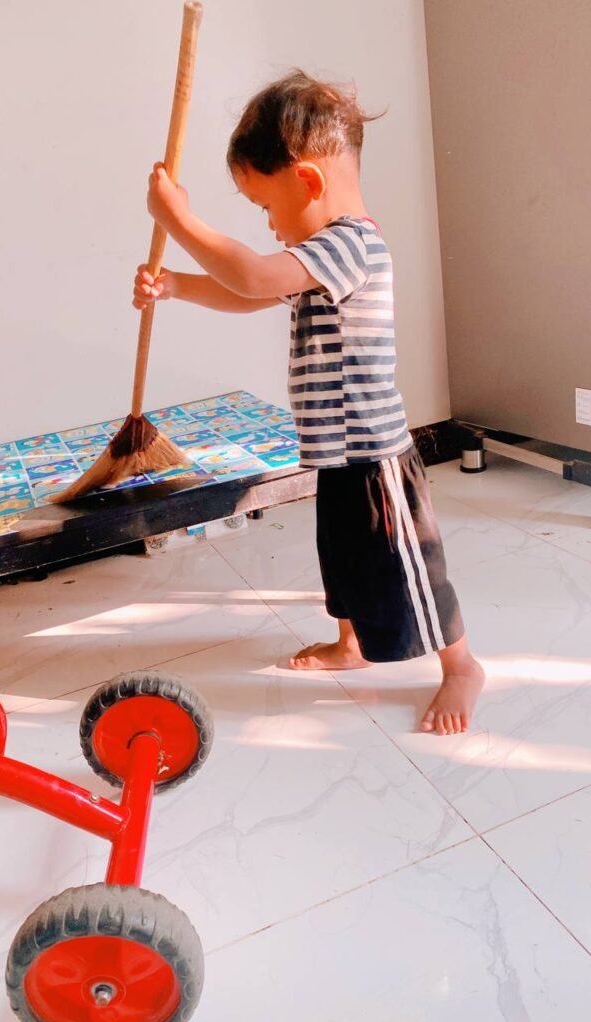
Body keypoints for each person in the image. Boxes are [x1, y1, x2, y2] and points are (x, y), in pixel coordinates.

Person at [133, 71, 485, 735]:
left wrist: (177, 219)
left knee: (409, 568)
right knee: (344, 559)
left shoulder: (353, 245)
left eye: (265, 206)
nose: (268, 224)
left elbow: (253, 273)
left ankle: (461, 663)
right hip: (335, 451)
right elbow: (249, 294)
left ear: (308, 183)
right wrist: (176, 284)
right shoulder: (317, 256)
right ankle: (352, 644)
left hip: (376, 455)